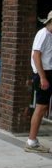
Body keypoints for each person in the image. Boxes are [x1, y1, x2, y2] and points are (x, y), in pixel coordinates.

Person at [25, 10, 52, 153]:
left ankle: (32, 141)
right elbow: (36, 56)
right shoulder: (43, 34)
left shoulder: (50, 35)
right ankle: (31, 141)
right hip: (43, 73)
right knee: (41, 107)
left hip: (48, 72)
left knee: (43, 107)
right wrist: (42, 77)